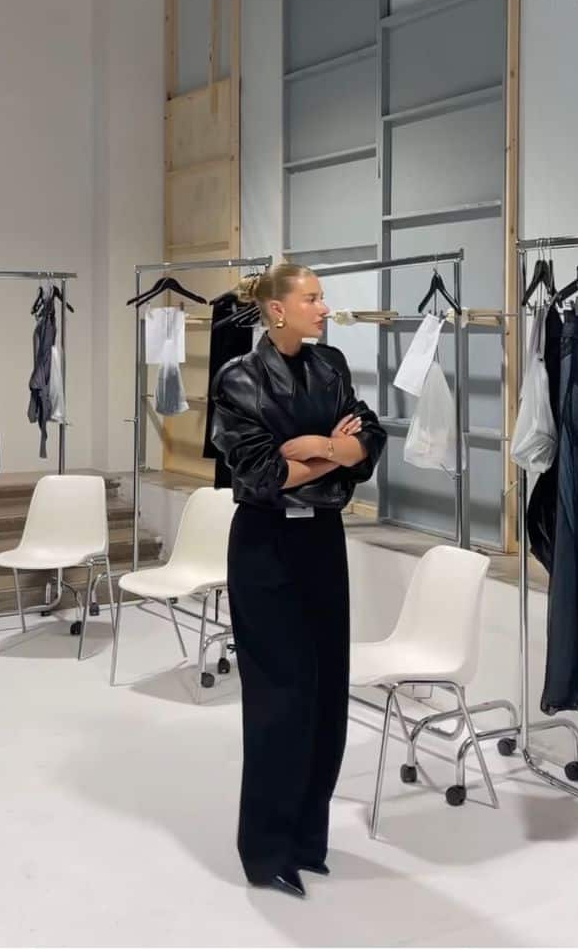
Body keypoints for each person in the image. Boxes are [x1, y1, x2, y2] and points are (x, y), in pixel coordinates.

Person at [211, 262, 387, 899]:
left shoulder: (330, 365)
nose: (325, 308)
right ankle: (265, 851)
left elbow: (370, 436)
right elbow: (255, 476)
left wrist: (319, 448)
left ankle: (308, 839)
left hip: (321, 542)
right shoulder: (238, 378)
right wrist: (331, 453)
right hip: (265, 551)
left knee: (324, 697)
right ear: (277, 310)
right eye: (313, 298)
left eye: (323, 298)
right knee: (279, 699)